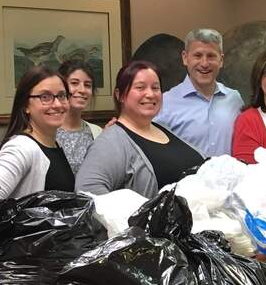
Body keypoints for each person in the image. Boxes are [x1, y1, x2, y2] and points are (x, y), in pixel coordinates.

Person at [76, 61, 204, 197]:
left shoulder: (164, 129)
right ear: (119, 95)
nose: (150, 94)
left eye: (155, 88)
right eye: (140, 87)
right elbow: (87, 190)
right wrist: (137, 215)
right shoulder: (111, 142)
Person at [0, 65, 74, 199]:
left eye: (62, 96)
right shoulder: (20, 148)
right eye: (45, 97)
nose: (57, 104)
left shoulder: (54, 145)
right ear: (25, 105)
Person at [154, 28, 244, 157]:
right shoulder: (165, 103)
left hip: (230, 177)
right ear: (185, 58)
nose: (204, 63)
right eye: (197, 55)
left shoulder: (234, 99)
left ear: (221, 60)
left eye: (211, 56)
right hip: (184, 177)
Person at [56, 60, 102, 174]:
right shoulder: (47, 130)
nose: (82, 90)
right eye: (74, 83)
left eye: (87, 85)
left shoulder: (97, 133)